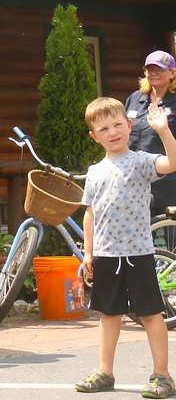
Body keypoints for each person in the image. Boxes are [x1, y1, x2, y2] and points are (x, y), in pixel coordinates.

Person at [76, 97, 174, 397]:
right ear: (94, 136)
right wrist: (88, 252)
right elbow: (89, 213)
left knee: (150, 314)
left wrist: (163, 131)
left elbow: (172, 163)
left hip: (139, 254)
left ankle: (162, 375)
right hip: (106, 255)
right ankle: (105, 372)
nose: (113, 131)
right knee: (108, 315)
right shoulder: (94, 172)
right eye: (104, 128)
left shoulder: (142, 161)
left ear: (130, 126)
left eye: (118, 124)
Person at [125, 50, 176, 218]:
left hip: (166, 182)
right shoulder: (135, 98)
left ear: (172, 73)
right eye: (149, 69)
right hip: (134, 179)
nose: (153, 73)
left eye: (159, 69)